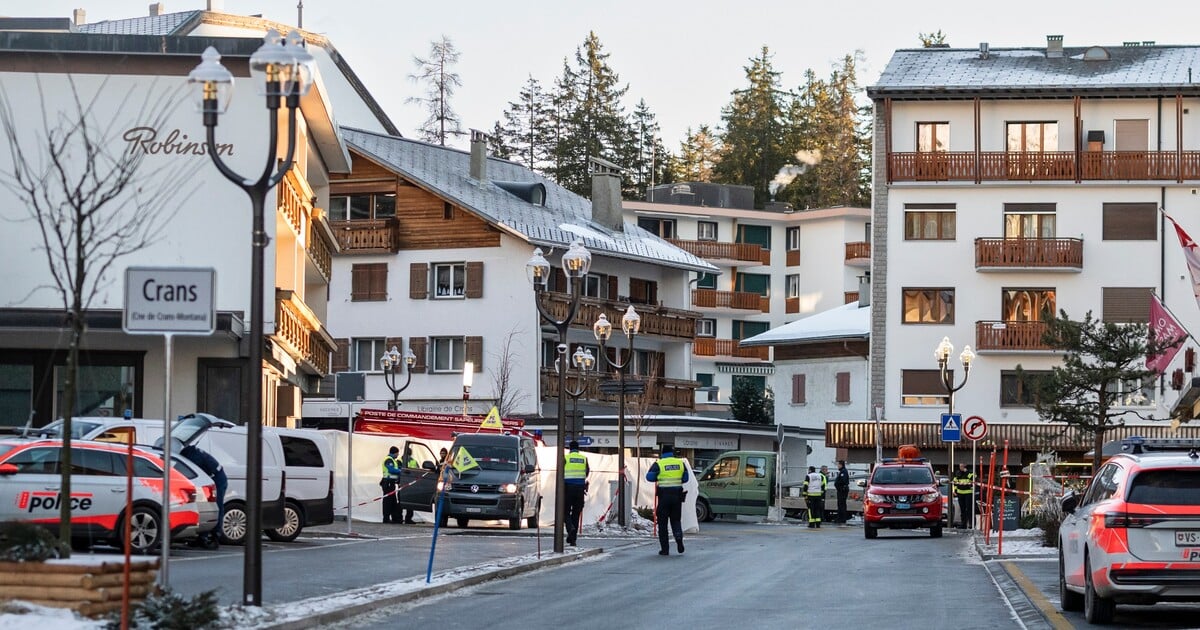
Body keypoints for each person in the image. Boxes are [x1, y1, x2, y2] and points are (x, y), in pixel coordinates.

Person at [180, 441, 226, 548]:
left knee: (215, 506)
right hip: (216, 476)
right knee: (207, 506)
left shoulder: (192, 457)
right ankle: (204, 536)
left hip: (217, 479)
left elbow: (194, 473)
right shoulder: (192, 452)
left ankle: (214, 536)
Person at [646, 444, 689, 556]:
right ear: (672, 453)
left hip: (664, 496)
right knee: (675, 520)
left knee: (662, 523)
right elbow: (686, 478)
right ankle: (679, 540)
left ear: (662, 453)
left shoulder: (659, 463)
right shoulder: (680, 463)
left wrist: (658, 476)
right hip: (677, 496)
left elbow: (649, 477)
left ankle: (665, 549)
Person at [563, 441, 589, 546]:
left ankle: (570, 528)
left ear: (570, 448)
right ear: (578, 448)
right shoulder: (583, 458)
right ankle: (573, 539)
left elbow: (560, 472)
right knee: (576, 513)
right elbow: (587, 472)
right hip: (580, 489)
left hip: (567, 488)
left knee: (565, 511)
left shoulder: (565, 458)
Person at [381, 446, 402, 524]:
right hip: (388, 483)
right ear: (395, 452)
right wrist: (400, 471)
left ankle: (394, 518)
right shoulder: (388, 460)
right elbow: (391, 470)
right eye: (397, 453)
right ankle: (386, 518)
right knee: (387, 501)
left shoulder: (392, 460)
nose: (398, 455)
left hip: (391, 483)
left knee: (393, 501)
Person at [399, 447, 419, 524]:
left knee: (401, 501)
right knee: (409, 501)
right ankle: (408, 518)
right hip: (410, 483)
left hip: (403, 483)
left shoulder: (399, 461)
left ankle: (399, 518)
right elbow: (418, 471)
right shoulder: (413, 461)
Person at [952, 462, 976, 529]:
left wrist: (966, 472)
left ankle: (971, 524)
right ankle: (963, 524)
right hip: (960, 493)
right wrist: (955, 490)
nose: (961, 468)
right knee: (962, 510)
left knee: (969, 509)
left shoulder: (970, 472)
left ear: (965, 466)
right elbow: (955, 482)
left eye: (962, 466)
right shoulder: (958, 473)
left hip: (968, 493)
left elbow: (973, 478)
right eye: (960, 466)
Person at [834, 460, 850, 525]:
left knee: (841, 505)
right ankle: (840, 518)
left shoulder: (843, 472)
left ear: (841, 465)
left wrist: (838, 485)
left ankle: (842, 519)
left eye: (838, 465)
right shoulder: (842, 471)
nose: (837, 466)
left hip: (842, 490)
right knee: (840, 504)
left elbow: (843, 481)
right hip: (841, 490)